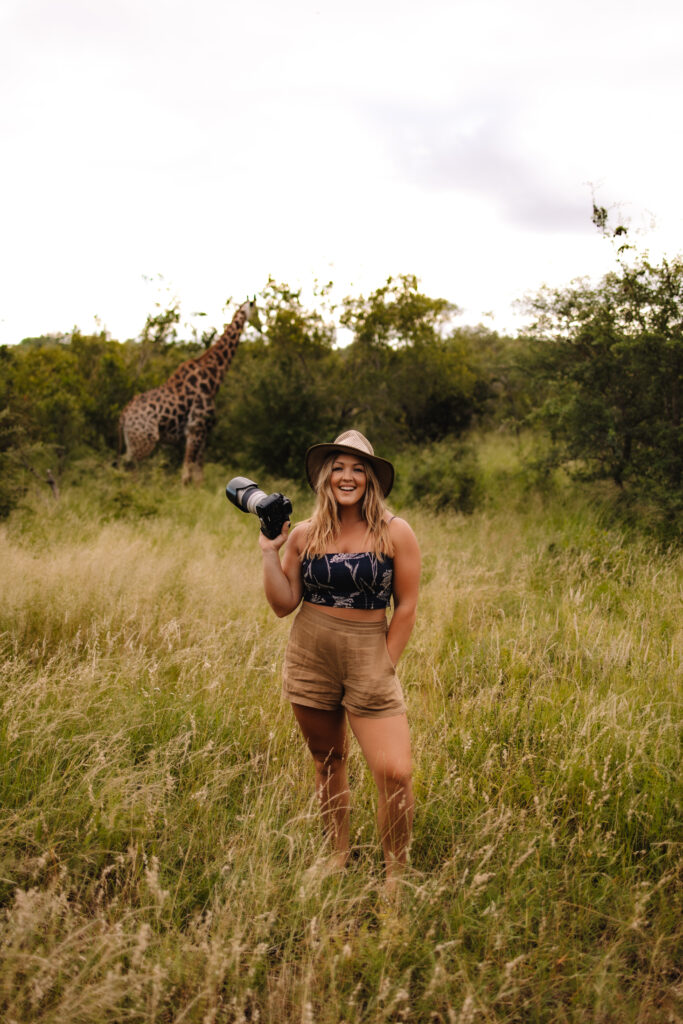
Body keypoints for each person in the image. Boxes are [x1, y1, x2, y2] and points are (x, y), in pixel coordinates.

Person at [258, 430, 421, 889]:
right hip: (310, 651)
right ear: (325, 477)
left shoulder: (395, 531)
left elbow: (405, 606)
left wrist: (383, 662)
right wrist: (270, 553)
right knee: (327, 760)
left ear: (369, 478)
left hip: (370, 651)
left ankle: (395, 877)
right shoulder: (306, 534)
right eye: (337, 467)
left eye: (356, 468)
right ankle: (337, 855)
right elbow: (282, 603)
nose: (346, 476)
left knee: (395, 773)